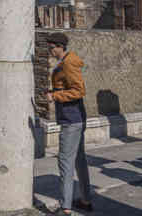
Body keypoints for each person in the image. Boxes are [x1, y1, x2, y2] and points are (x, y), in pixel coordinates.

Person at [45, 32, 93, 214]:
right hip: (76, 117)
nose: (50, 51)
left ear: (60, 47)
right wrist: (55, 91)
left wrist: (55, 96)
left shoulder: (68, 63)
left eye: (51, 48)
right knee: (79, 159)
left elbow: (79, 91)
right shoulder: (65, 61)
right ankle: (85, 200)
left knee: (65, 161)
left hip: (71, 119)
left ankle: (65, 208)